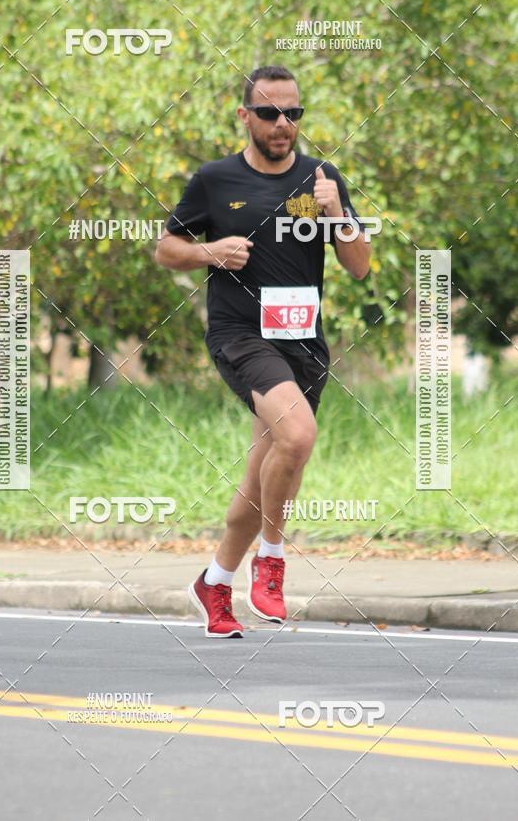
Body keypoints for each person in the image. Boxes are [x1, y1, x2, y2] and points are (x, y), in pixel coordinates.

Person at [155, 65, 371, 637]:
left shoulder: (324, 179)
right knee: (297, 436)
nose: (283, 125)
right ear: (244, 116)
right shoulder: (215, 180)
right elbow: (166, 248)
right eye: (271, 113)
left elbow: (359, 265)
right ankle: (270, 560)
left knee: (266, 474)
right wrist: (210, 253)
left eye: (293, 114)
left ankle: (215, 581)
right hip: (241, 334)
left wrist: (337, 214)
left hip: (303, 340)